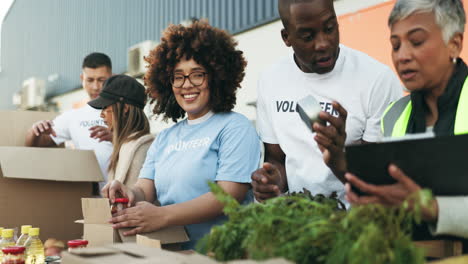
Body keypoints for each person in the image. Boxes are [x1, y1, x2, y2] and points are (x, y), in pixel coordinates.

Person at [102, 20, 261, 249]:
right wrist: (129, 192)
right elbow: (145, 189)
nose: (186, 85)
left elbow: (229, 194)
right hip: (171, 254)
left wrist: (162, 215)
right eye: (178, 76)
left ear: (216, 77)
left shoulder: (235, 127)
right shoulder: (165, 138)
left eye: (197, 75)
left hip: (221, 254)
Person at [251, 0, 402, 202]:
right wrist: (273, 181)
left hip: (358, 221)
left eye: (330, 28)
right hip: (300, 219)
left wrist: (337, 154)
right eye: (308, 36)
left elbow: (376, 176)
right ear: (287, 38)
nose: (323, 43)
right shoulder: (270, 81)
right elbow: (277, 159)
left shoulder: (377, 79)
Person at [344, 0, 468, 240]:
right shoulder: (392, 116)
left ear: (454, 44)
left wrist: (433, 210)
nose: (402, 56)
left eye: (417, 42)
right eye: (395, 45)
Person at [25, 53, 114, 186]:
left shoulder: (125, 110)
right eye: (90, 80)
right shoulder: (72, 116)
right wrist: (35, 131)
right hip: (89, 197)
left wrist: (115, 137)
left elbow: (142, 144)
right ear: (82, 78)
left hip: (125, 196)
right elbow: (35, 145)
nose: (95, 86)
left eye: (101, 80)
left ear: (112, 78)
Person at [89, 75, 154, 188]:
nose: (101, 114)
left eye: (105, 107)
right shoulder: (125, 144)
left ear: (125, 109)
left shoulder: (142, 147)